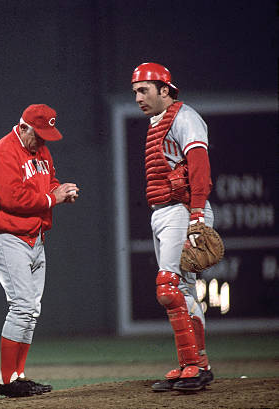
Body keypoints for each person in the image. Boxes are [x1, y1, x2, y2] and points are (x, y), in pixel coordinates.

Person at [0, 104, 80, 397]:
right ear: (23, 127)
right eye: (39, 134)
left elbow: (50, 182)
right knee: (22, 306)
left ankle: (18, 375)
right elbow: (13, 199)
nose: (43, 141)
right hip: (9, 237)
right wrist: (52, 199)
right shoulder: (1, 153)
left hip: (36, 236)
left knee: (32, 310)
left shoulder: (41, 150)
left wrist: (62, 191)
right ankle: (7, 380)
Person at [131, 62, 215, 392]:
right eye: (135, 92)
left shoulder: (185, 117)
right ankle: (194, 364)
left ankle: (195, 366)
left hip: (183, 211)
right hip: (163, 212)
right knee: (181, 290)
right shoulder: (157, 122)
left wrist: (197, 215)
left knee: (170, 287)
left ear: (164, 89)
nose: (138, 97)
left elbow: (199, 167)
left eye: (144, 90)